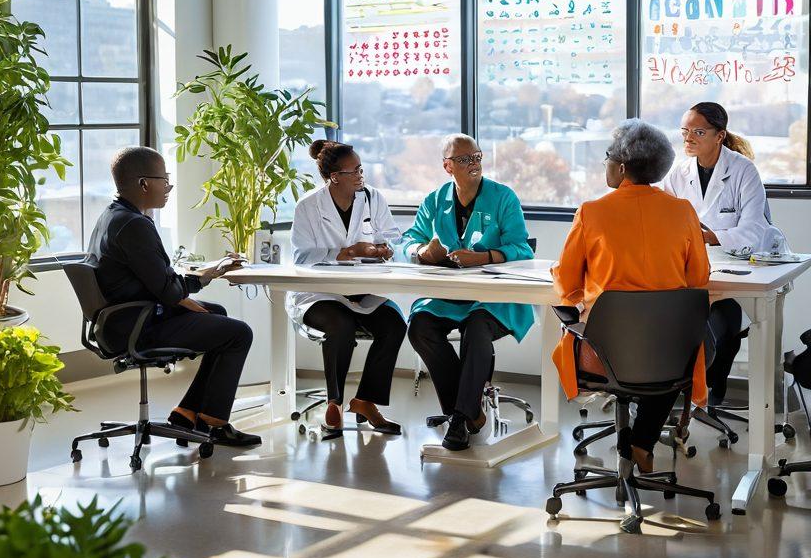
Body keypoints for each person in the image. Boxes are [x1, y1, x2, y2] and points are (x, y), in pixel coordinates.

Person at [552, 119, 710, 474]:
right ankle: (642, 440)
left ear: (621, 167)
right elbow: (698, 279)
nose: (605, 163)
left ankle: (637, 440)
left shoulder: (592, 212)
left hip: (605, 354)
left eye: (607, 156)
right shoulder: (683, 211)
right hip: (671, 352)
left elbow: (566, 282)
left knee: (629, 348)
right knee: (683, 349)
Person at [86, 146, 260, 449]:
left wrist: (207, 273)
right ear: (144, 184)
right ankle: (215, 424)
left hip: (121, 320)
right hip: (139, 326)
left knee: (217, 314)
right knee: (238, 333)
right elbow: (168, 290)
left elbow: (159, 281)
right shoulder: (135, 225)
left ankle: (187, 412)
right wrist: (202, 280)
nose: (168, 187)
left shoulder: (114, 216)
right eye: (164, 180)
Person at [402, 134, 533, 452]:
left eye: (476, 157)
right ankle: (471, 411)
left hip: (493, 300)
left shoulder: (503, 197)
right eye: (463, 159)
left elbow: (522, 247)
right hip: (447, 295)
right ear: (448, 167)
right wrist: (422, 252)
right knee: (419, 326)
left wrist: (484, 257)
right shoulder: (435, 200)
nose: (473, 164)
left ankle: (460, 417)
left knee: (477, 327)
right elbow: (407, 241)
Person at [662, 101, 787, 407]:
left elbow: (754, 229)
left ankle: (711, 393)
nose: (688, 138)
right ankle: (686, 391)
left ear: (719, 136)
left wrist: (708, 236)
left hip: (738, 265)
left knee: (723, 325)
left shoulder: (743, 170)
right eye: (684, 131)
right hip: (692, 269)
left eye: (698, 132)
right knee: (676, 319)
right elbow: (660, 213)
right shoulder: (679, 172)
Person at [288, 141, 406, 437]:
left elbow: (394, 237)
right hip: (320, 294)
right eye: (353, 170)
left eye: (361, 168)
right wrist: (345, 252)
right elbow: (301, 257)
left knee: (394, 323)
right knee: (341, 325)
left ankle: (366, 400)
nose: (360, 175)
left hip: (362, 290)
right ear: (334, 177)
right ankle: (334, 404)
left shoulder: (372, 198)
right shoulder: (308, 207)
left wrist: (384, 249)